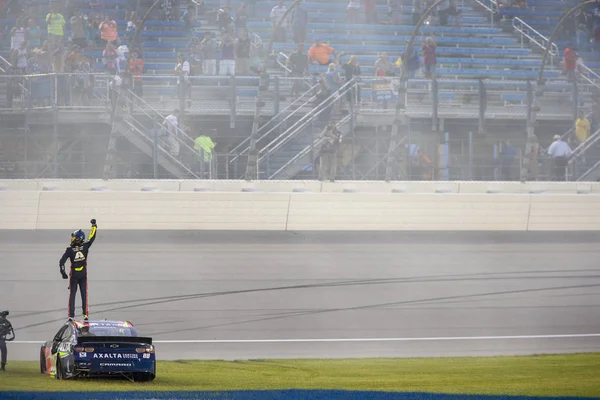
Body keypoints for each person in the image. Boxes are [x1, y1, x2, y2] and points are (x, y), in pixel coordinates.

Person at [59, 219, 97, 320]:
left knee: (72, 295)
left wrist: (63, 273)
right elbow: (92, 237)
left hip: (74, 276)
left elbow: (61, 262)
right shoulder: (85, 247)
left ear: (77, 239)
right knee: (84, 294)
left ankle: (71, 316)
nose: (72, 239)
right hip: (83, 275)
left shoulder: (69, 250)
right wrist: (94, 225)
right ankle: (85, 314)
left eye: (74, 237)